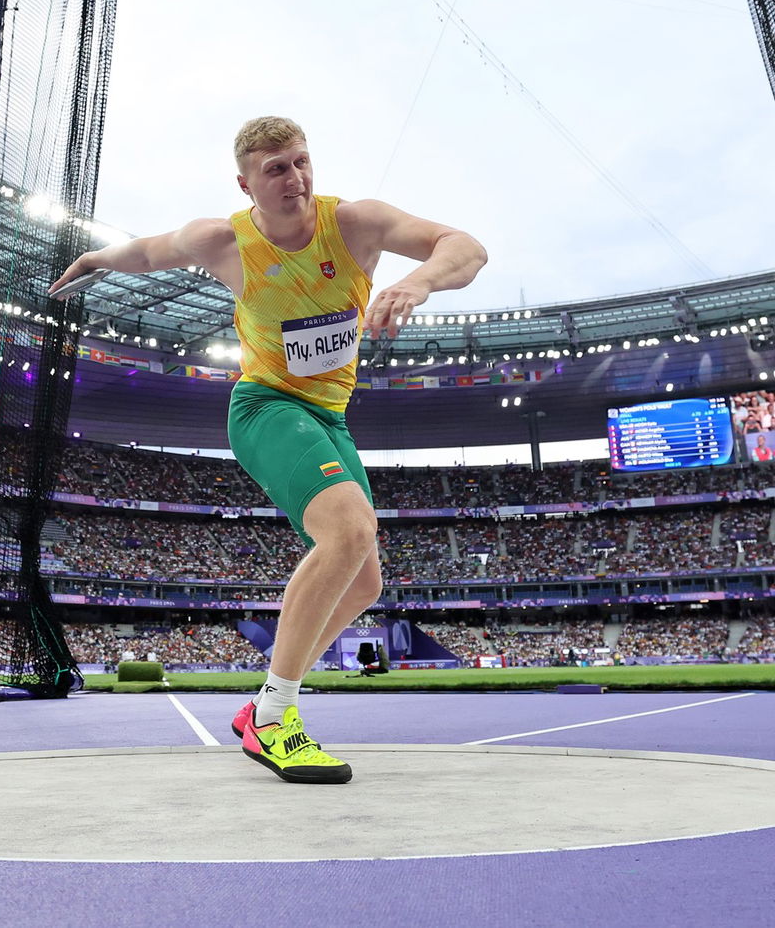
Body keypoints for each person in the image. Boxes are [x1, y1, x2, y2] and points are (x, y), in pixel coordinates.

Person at [50, 116, 486, 783]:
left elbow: (465, 246)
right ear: (246, 182)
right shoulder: (225, 241)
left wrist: (418, 281)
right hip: (266, 408)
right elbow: (146, 251)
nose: (296, 178)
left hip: (330, 418)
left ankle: (261, 706)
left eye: (302, 161)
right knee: (349, 531)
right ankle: (278, 717)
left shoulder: (357, 223)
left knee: (363, 578)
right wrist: (94, 259)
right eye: (277, 168)